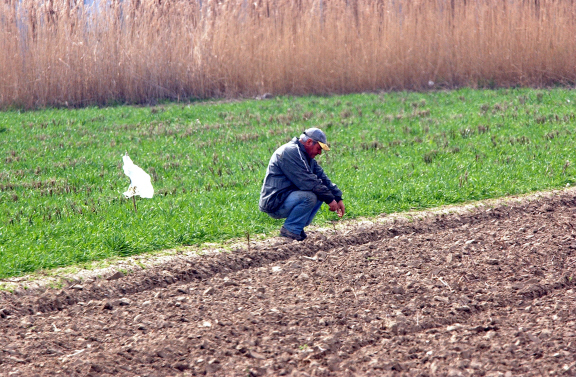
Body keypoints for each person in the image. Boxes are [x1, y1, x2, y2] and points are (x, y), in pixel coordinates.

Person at [259, 127, 345, 241]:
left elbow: (322, 178)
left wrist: (338, 197)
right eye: (319, 148)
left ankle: (297, 228)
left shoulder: (305, 156)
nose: (319, 153)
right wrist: (330, 200)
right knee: (311, 196)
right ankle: (290, 230)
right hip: (275, 202)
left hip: (287, 198)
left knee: (321, 192)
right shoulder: (290, 152)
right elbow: (309, 182)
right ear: (309, 142)